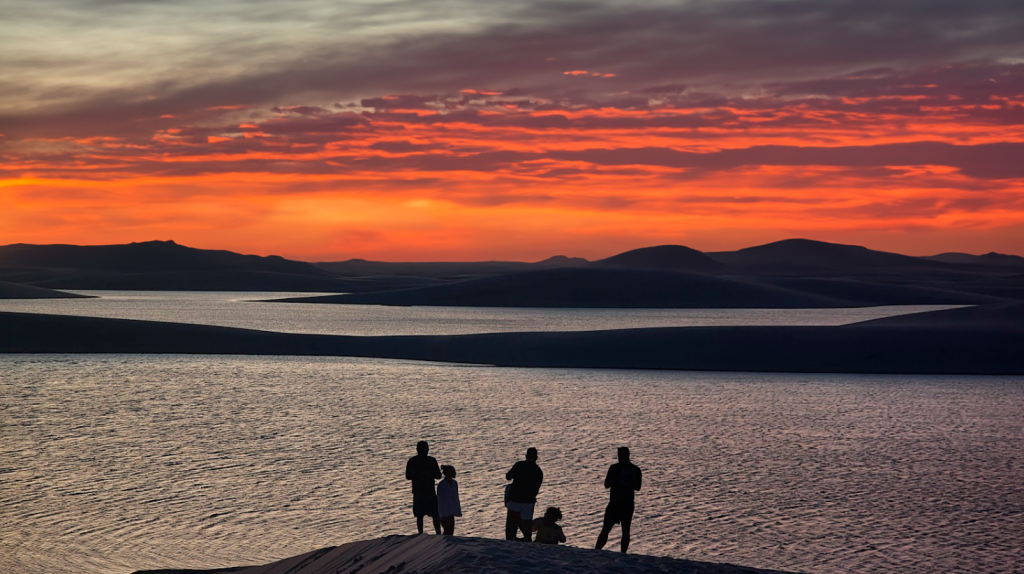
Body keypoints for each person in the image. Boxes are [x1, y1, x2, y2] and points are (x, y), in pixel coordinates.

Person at [595, 446, 642, 553]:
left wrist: (616, 480)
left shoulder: (614, 468)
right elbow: (638, 487)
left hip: (615, 503)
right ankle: (623, 553)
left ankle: (597, 550)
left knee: (606, 529)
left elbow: (607, 485)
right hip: (627, 503)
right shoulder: (636, 469)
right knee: (625, 530)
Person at [505, 447, 543, 541]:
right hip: (529, 501)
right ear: (536, 458)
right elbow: (536, 489)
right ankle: (527, 540)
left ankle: (510, 539)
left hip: (515, 498)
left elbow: (508, 477)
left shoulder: (519, 465)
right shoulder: (538, 471)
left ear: (526, 456)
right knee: (527, 523)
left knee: (511, 521)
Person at [405, 440, 442, 534]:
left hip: (428, 491)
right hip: (420, 492)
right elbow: (408, 476)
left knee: (434, 514)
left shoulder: (431, 461)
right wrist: (419, 474)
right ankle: (421, 533)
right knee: (420, 515)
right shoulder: (413, 461)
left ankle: (438, 533)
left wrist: (428, 473)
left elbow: (438, 475)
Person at [437, 465, 462, 535]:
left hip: (451, 511)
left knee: (450, 531)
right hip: (444, 512)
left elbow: (455, 498)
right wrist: (441, 515)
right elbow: (440, 500)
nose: (454, 473)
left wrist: (457, 510)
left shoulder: (454, 483)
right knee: (447, 530)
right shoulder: (442, 485)